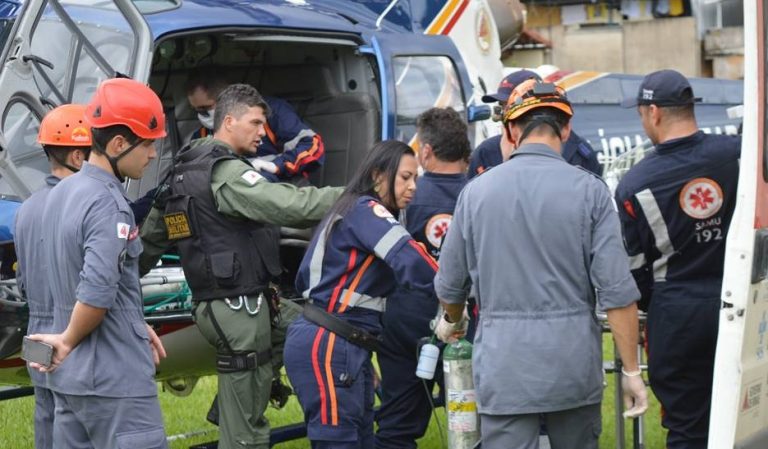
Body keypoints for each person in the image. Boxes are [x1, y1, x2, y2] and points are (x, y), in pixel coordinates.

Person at [433, 79, 648, 449]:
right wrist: (631, 371)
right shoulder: (592, 192)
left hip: (504, 367)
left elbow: (450, 286)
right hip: (572, 367)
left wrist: (453, 319)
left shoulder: (475, 194)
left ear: (511, 130)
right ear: (566, 129)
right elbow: (617, 292)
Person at [139, 83, 343, 449]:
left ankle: (232, 405)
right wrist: (353, 196)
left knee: (305, 329)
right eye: (256, 123)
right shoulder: (225, 172)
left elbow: (146, 246)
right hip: (237, 308)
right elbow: (288, 205)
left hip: (232, 303)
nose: (263, 132)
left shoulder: (181, 172)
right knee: (248, 433)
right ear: (229, 121)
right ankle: (237, 413)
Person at [27, 78, 169, 449]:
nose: (152, 154)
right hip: (114, 381)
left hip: (71, 382)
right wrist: (68, 340)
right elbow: (96, 290)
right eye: (148, 143)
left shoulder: (62, 194)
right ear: (119, 144)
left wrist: (132, 323)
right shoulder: (108, 203)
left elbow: (67, 277)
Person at [284, 140, 439, 449]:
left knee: (360, 440)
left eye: (416, 178)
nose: (413, 187)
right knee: (339, 442)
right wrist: (453, 292)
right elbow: (412, 260)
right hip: (331, 341)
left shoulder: (353, 208)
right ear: (377, 175)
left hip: (344, 341)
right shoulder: (367, 210)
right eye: (405, 177)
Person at [615, 69, 740, 449]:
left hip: (677, 313)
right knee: (748, 419)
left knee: (687, 427)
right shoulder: (737, 154)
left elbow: (635, 268)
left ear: (653, 112)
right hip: (739, 299)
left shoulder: (635, 183)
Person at [374, 108, 470, 449]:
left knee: (396, 425)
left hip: (405, 320)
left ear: (426, 151)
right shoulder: (481, 193)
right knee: (475, 422)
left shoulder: (405, 195)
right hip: (466, 322)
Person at [15, 104, 92, 449]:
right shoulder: (84, 204)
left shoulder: (26, 209)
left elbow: (23, 282)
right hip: (73, 337)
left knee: (47, 424)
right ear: (77, 156)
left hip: (37, 336)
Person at [186, 66, 325, 182]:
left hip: (282, 187)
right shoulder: (203, 135)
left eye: (205, 108)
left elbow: (312, 145)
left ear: (225, 100)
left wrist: (275, 166)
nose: (202, 114)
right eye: (197, 110)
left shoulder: (269, 113)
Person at [469, 70, 602, 178]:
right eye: (503, 106)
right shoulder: (486, 152)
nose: (505, 114)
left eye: (511, 105)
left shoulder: (579, 152)